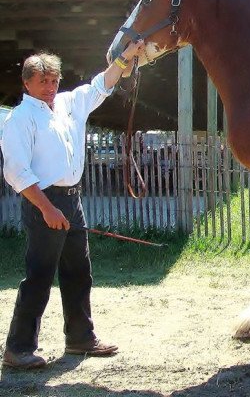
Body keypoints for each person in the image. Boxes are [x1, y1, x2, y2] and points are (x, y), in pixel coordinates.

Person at [1, 41, 145, 369]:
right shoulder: (20, 119)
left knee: (79, 271)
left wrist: (125, 58)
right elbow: (16, 171)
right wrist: (46, 209)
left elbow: (100, 85)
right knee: (39, 275)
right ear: (27, 83)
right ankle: (18, 348)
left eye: (53, 80)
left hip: (71, 198)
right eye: (43, 81)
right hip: (44, 201)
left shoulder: (68, 104)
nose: (50, 87)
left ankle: (80, 337)